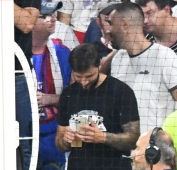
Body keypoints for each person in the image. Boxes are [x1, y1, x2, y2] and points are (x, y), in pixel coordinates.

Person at [106, 1, 177, 130]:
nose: (108, 30)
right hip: (127, 146)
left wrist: (168, 138)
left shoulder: (164, 56)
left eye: (111, 24)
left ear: (124, 25)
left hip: (158, 145)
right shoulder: (118, 59)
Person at [55, 42, 141, 170]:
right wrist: (66, 140)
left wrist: (103, 137)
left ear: (99, 65)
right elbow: (60, 143)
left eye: (89, 76)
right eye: (78, 76)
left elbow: (134, 139)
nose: (84, 82)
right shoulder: (68, 95)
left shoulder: (120, 92)